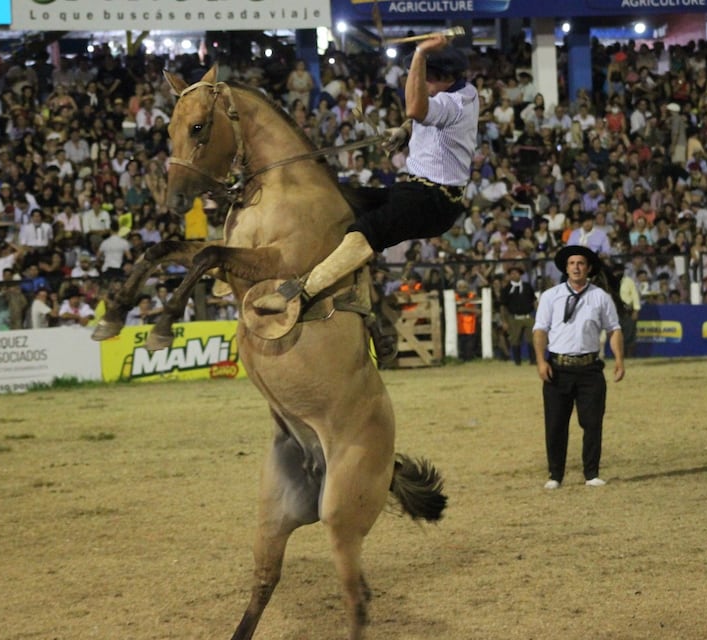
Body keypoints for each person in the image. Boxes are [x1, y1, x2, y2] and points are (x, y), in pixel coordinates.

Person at [253, 36, 478, 361]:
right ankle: (346, 290)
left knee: (366, 231)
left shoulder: (454, 103)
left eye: (427, 78)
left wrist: (419, 53)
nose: (423, 84)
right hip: (417, 189)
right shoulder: (460, 91)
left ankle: (301, 293)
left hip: (433, 199)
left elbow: (416, 107)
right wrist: (403, 132)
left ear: (442, 78)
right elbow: (417, 116)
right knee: (343, 199)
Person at [532, 245, 625, 489]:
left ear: (589, 268)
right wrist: (541, 361)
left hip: (590, 368)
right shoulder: (550, 296)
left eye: (581, 263)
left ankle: (591, 473)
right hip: (558, 368)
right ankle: (555, 475)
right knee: (555, 424)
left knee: (593, 422)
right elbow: (540, 330)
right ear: (566, 267)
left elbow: (614, 329)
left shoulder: (600, 297)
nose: (576, 267)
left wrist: (619, 360)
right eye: (572, 263)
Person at [499, 265, 536, 365]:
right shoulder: (506, 289)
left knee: (532, 339)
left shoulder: (527, 286)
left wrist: (538, 316)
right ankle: (517, 361)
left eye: (516, 273)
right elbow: (503, 306)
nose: (513, 275)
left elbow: (534, 301)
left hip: (528, 316)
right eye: (511, 273)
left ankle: (533, 360)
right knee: (515, 340)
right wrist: (504, 321)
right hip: (513, 318)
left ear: (520, 275)